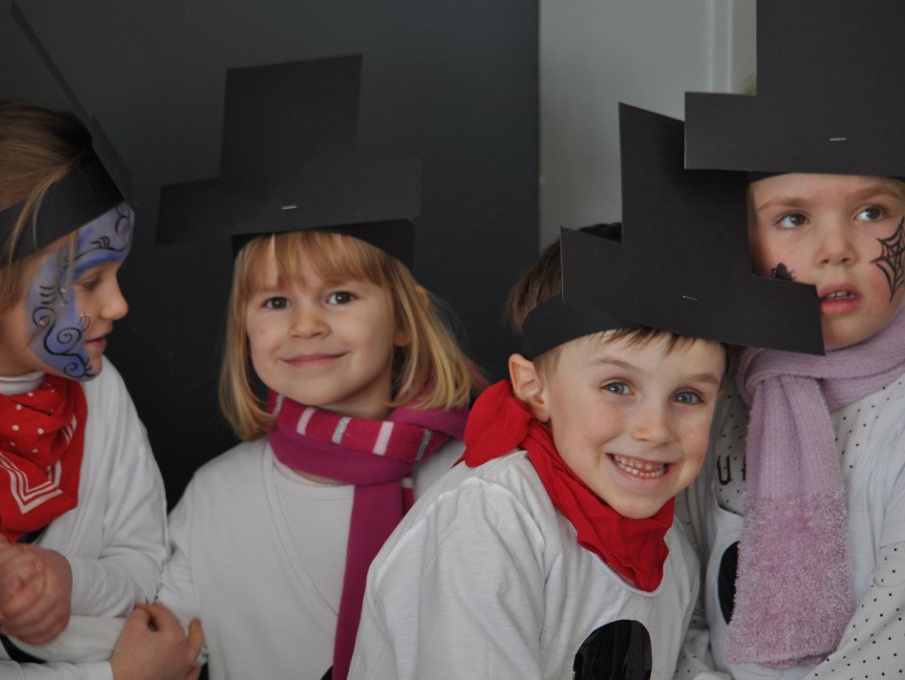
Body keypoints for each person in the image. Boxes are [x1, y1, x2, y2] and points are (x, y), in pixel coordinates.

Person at [347, 104, 820, 680]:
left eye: (687, 397)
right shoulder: (491, 518)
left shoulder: (668, 543)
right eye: (618, 386)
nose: (654, 429)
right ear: (533, 387)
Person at [153, 55, 480, 680]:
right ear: (244, 328)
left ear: (405, 317)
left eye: (340, 296)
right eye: (276, 303)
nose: (305, 326)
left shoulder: (477, 480)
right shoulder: (216, 498)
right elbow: (162, 645)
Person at [0, 99, 202, 680]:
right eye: (91, 281)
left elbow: (142, 557)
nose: (118, 304)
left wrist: (68, 577)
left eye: (116, 275)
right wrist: (118, 677)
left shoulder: (100, 389)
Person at [677, 1, 905, 675]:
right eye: (793, 219)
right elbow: (674, 595)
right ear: (739, 240)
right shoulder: (717, 397)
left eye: (872, 211)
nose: (836, 249)